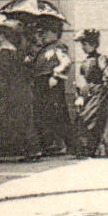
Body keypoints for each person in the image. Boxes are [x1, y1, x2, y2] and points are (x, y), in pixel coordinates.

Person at [0, 14, 40, 161]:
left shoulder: (4, 51)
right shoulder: (9, 50)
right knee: (17, 120)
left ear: (2, 34)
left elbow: (2, 74)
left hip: (7, 92)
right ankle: (30, 151)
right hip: (13, 91)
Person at [72, 29, 108, 157]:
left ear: (93, 44)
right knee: (85, 118)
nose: (83, 47)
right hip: (88, 93)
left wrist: (105, 85)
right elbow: (82, 77)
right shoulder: (85, 61)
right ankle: (88, 148)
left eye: (85, 44)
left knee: (99, 119)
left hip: (99, 94)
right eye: (82, 44)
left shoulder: (101, 58)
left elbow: (107, 74)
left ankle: (104, 148)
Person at [29, 18, 76, 156]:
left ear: (55, 33)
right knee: (41, 114)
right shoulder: (42, 49)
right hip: (40, 83)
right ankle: (48, 145)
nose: (43, 35)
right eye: (41, 32)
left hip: (51, 83)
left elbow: (66, 62)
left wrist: (56, 75)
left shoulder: (58, 47)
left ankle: (71, 145)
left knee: (58, 114)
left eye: (46, 32)